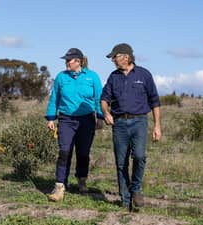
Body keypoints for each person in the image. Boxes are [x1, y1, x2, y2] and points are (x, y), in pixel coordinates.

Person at [100, 43, 161, 209]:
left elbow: (155, 101)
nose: (113, 60)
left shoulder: (144, 74)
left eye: (115, 57)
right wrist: (106, 113)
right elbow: (104, 99)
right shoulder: (113, 77)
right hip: (119, 124)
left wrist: (157, 126)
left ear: (126, 57)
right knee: (121, 163)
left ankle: (136, 189)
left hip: (139, 122)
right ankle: (125, 200)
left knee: (140, 156)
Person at [45, 48, 104, 202]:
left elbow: (99, 98)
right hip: (66, 120)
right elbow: (54, 98)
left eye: (69, 60)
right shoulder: (61, 77)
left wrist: (100, 117)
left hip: (87, 120)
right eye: (66, 60)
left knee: (83, 152)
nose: (66, 63)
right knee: (64, 152)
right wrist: (51, 118)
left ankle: (82, 180)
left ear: (78, 61)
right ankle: (59, 186)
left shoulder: (92, 77)